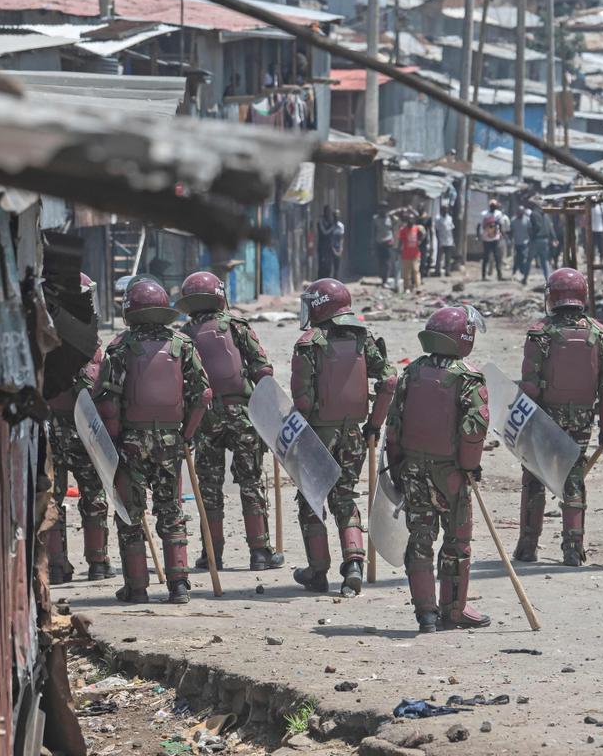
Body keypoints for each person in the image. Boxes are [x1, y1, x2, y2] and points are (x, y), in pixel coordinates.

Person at [94, 277, 212, 603]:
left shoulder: (119, 347)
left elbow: (106, 400)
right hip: (171, 441)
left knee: (130, 514)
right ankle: (180, 585)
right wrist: (187, 435)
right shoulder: (182, 344)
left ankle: (137, 587)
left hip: (130, 441)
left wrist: (115, 441)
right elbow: (201, 395)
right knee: (171, 509)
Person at [386, 306, 491, 633]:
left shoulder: (412, 372)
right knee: (457, 543)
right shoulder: (468, 376)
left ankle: (426, 615)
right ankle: (454, 610)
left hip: (413, 469)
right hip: (452, 474)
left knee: (419, 539)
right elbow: (474, 428)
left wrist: (397, 469)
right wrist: (470, 467)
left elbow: (394, 427)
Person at [291, 279, 397, 597]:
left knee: (312, 500)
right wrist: (375, 425)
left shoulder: (309, 343)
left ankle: (317, 572)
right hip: (353, 432)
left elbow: (304, 402)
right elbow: (389, 380)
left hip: (317, 436)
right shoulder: (362, 339)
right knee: (346, 497)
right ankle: (353, 564)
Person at [177, 271, 283, 572]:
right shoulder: (237, 326)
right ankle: (260, 553)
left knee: (209, 488)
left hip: (205, 419)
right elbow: (263, 370)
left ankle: (212, 554)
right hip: (242, 417)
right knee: (250, 482)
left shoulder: (184, 334)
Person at [514, 268, 603, 567]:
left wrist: (520, 425)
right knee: (573, 478)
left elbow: (530, 386)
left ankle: (527, 546)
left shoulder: (540, 333)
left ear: (552, 295)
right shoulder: (598, 333)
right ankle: (573, 548)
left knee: (534, 478)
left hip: (545, 419)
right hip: (582, 420)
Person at [46, 273, 112, 583]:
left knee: (53, 497)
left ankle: (60, 567)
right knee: (92, 495)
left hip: (57, 430)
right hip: (80, 429)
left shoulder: (44, 338)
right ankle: (96, 564)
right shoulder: (88, 342)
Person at [398, 212, 425, 294]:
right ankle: (407, 287)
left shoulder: (417, 229)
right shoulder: (403, 229)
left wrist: (420, 241)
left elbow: (423, 234)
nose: (410, 220)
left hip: (415, 254)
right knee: (406, 273)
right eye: (409, 219)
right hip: (406, 254)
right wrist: (399, 249)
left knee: (416, 271)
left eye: (412, 219)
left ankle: (418, 287)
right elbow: (400, 240)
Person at [480, 200, 505, 281]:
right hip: (486, 239)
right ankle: (483, 276)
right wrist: (478, 235)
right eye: (492, 206)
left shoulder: (498, 214)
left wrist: (501, 233)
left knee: (497, 257)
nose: (493, 207)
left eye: (494, 206)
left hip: (495, 238)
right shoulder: (484, 214)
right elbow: (479, 225)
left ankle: (499, 275)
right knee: (486, 258)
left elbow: (500, 224)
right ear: (489, 206)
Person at [529, 205, 555, 280]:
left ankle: (524, 278)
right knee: (544, 261)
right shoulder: (546, 215)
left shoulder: (533, 214)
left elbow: (537, 226)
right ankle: (548, 279)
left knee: (529, 259)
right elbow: (550, 227)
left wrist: (532, 237)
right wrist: (554, 237)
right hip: (545, 240)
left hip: (537, 239)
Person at [373, 203, 395, 288]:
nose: (383, 210)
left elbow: (393, 228)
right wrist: (373, 243)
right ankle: (383, 278)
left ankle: (385, 280)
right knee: (381, 261)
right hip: (379, 242)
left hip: (388, 242)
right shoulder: (375, 219)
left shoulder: (390, 218)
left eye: (385, 208)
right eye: (381, 208)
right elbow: (373, 231)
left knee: (387, 262)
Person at [512, 206, 532, 284]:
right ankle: (514, 271)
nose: (520, 214)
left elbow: (530, 230)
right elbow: (511, 230)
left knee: (523, 257)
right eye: (519, 212)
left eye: (521, 212)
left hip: (525, 242)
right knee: (517, 258)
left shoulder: (527, 220)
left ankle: (523, 272)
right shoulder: (513, 220)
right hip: (517, 242)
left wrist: (530, 240)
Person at [435, 204, 455, 276]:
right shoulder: (438, 218)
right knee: (439, 257)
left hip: (449, 240)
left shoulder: (449, 218)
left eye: (446, 209)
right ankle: (437, 271)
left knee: (448, 258)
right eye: (444, 209)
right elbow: (436, 230)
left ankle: (447, 271)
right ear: (441, 210)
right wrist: (438, 240)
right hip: (441, 240)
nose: (445, 210)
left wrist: (453, 241)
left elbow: (451, 230)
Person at [317, 206, 336, 279]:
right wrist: (332, 227)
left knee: (329, 266)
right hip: (322, 247)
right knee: (322, 266)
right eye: (327, 211)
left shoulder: (330, 221)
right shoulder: (321, 221)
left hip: (329, 247)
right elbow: (324, 232)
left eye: (330, 212)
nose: (329, 213)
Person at [589, 199, 603, 264]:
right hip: (592, 230)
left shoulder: (600, 207)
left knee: (601, 246)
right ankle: (592, 260)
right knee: (592, 246)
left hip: (600, 229)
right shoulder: (589, 207)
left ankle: (601, 259)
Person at [329, 214, 346, 278]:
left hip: (338, 247)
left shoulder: (341, 226)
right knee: (330, 265)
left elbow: (341, 237)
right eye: (335, 216)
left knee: (337, 265)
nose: (336, 218)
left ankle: (336, 278)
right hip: (331, 247)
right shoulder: (331, 225)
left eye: (337, 216)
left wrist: (341, 247)